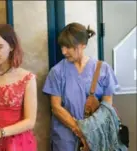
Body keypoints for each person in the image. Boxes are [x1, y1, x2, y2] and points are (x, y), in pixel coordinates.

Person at [42, 22, 119, 151]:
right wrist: (80, 130)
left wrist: (89, 131)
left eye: (68, 47)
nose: (63, 51)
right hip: (65, 137)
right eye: (62, 47)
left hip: (95, 136)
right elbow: (56, 107)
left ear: (83, 45)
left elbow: (107, 106)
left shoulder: (103, 69)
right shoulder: (57, 72)